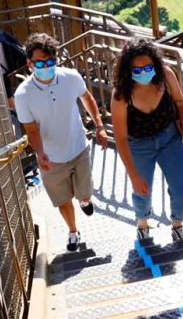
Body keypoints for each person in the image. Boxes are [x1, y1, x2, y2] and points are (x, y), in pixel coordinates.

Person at [14, 33, 108, 252]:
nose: (46, 66)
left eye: (50, 62)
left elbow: (88, 99)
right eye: (40, 63)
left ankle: (85, 201)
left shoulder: (71, 77)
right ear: (29, 63)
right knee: (63, 200)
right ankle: (73, 230)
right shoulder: (23, 95)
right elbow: (31, 129)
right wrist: (39, 153)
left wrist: (100, 125)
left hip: (78, 148)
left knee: (84, 193)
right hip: (51, 158)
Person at [111, 38, 183, 241]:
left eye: (148, 67)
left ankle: (177, 223)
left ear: (155, 65)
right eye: (137, 70)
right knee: (142, 190)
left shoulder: (166, 76)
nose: (144, 73)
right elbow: (121, 138)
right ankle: (142, 222)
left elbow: (180, 103)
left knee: (182, 190)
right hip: (138, 145)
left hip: (170, 139)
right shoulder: (122, 95)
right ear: (128, 71)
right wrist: (133, 174)